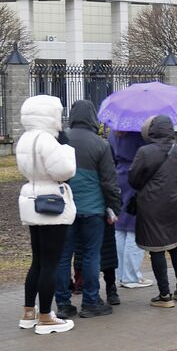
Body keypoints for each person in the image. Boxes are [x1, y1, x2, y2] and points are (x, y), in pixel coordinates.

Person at [16, 95, 78, 334]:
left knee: (38, 261)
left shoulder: (25, 139)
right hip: (51, 201)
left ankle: (29, 312)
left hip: (32, 198)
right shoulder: (47, 141)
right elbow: (65, 171)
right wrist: (67, 148)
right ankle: (46, 317)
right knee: (51, 263)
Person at [55, 100, 121, 319]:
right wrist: (113, 207)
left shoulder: (59, 140)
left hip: (64, 209)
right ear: (93, 117)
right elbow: (109, 182)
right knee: (92, 255)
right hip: (93, 210)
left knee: (63, 257)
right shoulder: (100, 145)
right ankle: (91, 302)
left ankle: (63, 303)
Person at [128, 115, 177, 308]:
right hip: (176, 204)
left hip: (152, 205)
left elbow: (134, 179)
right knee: (175, 245)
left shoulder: (145, 152)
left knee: (157, 249)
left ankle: (164, 295)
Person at [108, 116, 151, 291]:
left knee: (120, 227)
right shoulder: (139, 132)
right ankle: (132, 276)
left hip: (119, 175)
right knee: (135, 228)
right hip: (136, 176)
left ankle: (121, 274)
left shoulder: (113, 132)